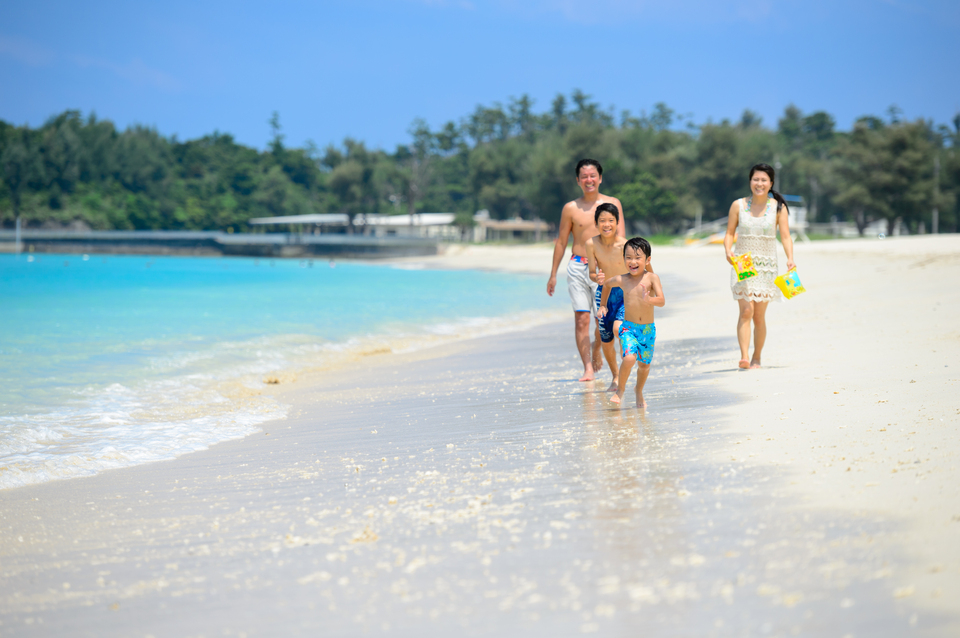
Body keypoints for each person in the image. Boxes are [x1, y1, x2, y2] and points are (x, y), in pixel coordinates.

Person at [546, 159, 626, 382]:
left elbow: (621, 238)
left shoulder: (613, 203)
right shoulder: (570, 208)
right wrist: (553, 275)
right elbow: (562, 242)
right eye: (584, 176)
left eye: (593, 176)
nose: (589, 180)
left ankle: (597, 346)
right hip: (578, 267)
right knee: (582, 319)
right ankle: (588, 369)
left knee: (603, 320)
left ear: (600, 178)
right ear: (578, 180)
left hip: (604, 269)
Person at [723, 163, 796, 370]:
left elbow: (785, 236)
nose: (759, 183)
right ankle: (745, 357)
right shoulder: (738, 205)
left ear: (771, 183)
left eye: (764, 180)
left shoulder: (778, 208)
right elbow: (729, 233)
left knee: (759, 316)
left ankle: (757, 357)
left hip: (767, 264)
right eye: (756, 179)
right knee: (746, 311)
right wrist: (728, 250)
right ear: (750, 181)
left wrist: (790, 258)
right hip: (743, 261)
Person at [598, 237, 664, 408]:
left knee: (644, 366)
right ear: (623, 259)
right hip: (628, 327)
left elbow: (662, 300)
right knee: (628, 358)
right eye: (628, 257)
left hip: (647, 330)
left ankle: (639, 391)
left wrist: (649, 299)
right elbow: (606, 285)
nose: (632, 262)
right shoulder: (622, 280)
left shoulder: (652, 278)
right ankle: (620, 390)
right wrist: (603, 305)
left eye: (637, 258)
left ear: (647, 260)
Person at [585, 203, 628, 392]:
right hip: (603, 294)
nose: (607, 224)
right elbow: (591, 273)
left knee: (619, 329)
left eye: (611, 220)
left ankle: (627, 358)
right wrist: (597, 278)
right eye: (602, 220)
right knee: (606, 340)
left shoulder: (625, 245)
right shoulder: (591, 244)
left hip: (624, 294)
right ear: (596, 224)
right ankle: (616, 377)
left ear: (617, 223)